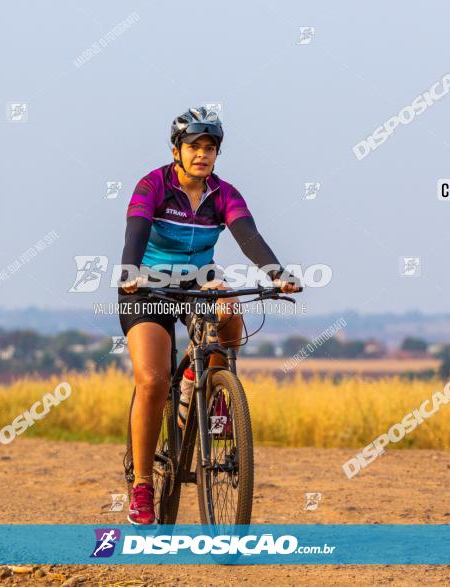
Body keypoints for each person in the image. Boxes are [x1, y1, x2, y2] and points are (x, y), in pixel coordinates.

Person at [118, 106, 300, 525]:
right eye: (193, 146)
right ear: (176, 150)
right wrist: (129, 270)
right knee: (151, 379)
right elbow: (137, 230)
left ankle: (215, 395)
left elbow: (247, 234)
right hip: (146, 288)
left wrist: (277, 273)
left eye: (210, 147)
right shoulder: (153, 185)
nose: (202, 154)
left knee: (230, 307)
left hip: (199, 281)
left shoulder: (224, 193)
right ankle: (143, 486)